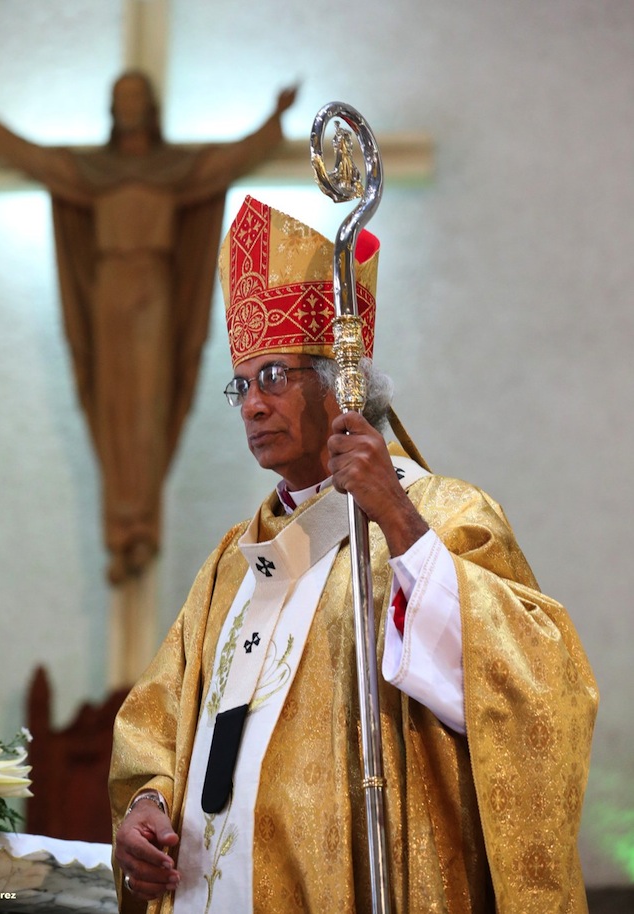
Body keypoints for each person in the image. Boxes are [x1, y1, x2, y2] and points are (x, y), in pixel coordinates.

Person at [109, 195, 598, 913]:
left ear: (342, 388)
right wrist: (146, 804)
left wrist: (395, 518)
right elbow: (159, 714)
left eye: (274, 376)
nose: (251, 404)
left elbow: (538, 686)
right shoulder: (232, 562)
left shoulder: (441, 513)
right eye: (241, 385)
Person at [0, 71, 297, 585]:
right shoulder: (92, 171)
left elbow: (227, 160)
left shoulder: (174, 169)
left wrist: (273, 121)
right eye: (119, 98)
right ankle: (121, 529)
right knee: (115, 411)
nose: (128, 105)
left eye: (135, 97)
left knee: (148, 409)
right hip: (108, 291)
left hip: (154, 292)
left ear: (149, 106)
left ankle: (142, 528)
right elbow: (36, 158)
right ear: (112, 108)